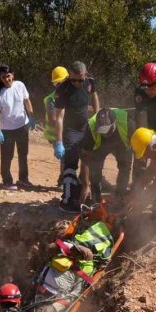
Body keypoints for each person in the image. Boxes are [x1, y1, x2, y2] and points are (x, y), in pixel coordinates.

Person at [31, 211, 117, 312]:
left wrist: (68, 247)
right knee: (71, 297)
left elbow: (51, 248)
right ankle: (52, 310)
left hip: (46, 281)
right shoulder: (106, 245)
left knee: (36, 305)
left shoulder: (77, 238)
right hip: (65, 284)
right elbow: (104, 262)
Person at [53, 61, 99, 212]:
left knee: (89, 160)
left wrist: (97, 117)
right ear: (69, 76)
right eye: (73, 80)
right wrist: (59, 141)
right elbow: (59, 117)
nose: (77, 83)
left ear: (85, 75)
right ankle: (67, 201)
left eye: (80, 80)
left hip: (86, 127)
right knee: (70, 165)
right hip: (71, 130)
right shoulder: (63, 88)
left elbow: (94, 97)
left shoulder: (90, 82)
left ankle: (87, 195)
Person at [79, 108, 134, 204]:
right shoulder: (90, 129)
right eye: (102, 132)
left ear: (114, 124)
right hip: (101, 146)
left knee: (125, 166)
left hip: (121, 142)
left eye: (107, 131)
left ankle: (120, 195)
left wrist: (136, 190)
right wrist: (85, 186)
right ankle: (96, 196)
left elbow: (139, 154)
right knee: (95, 167)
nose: (105, 135)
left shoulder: (128, 123)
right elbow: (85, 159)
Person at [0, 65, 35, 190]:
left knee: (23, 154)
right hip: (7, 130)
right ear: (0, 79)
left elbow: (26, 101)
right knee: (7, 156)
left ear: (13, 75)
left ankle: (23, 178)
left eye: (8, 76)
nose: (6, 79)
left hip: (22, 126)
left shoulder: (20, 85)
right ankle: (7, 180)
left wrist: (31, 116)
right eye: (3, 77)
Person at [43, 66, 69, 147]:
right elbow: (53, 121)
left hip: (68, 134)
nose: (59, 86)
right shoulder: (50, 100)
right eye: (57, 84)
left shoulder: (71, 95)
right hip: (56, 137)